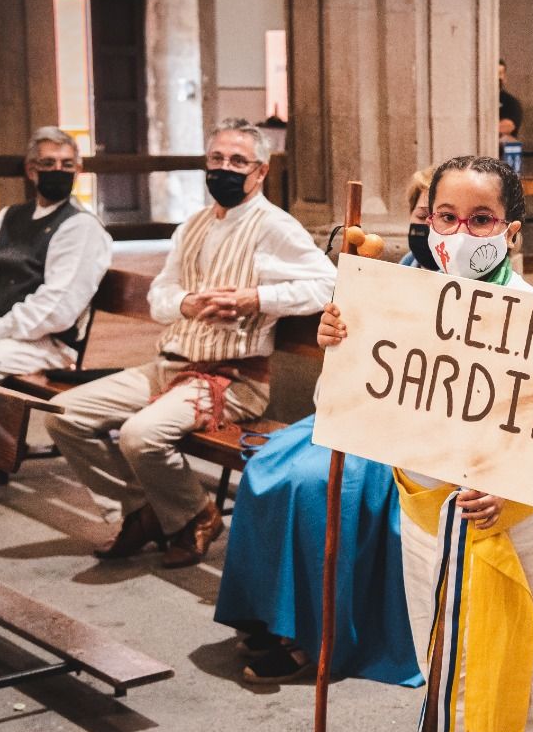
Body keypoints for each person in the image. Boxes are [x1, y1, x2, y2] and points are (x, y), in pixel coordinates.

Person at [318, 155, 533, 732]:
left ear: (512, 232)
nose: (460, 234)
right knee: (449, 674)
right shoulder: (401, 302)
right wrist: (342, 337)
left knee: (516, 686)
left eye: (481, 220)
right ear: (425, 223)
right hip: (425, 521)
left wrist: (514, 490)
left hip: (513, 533)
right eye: (446, 218)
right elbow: (368, 397)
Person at [49, 118, 335, 569]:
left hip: (230, 378)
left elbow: (326, 284)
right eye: (216, 159)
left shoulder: (274, 227)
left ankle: (196, 513)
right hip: (168, 364)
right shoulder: (193, 226)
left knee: (141, 436)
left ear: (260, 172)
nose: (225, 168)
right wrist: (186, 303)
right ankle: (138, 509)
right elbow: (159, 297)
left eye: (238, 161)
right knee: (63, 416)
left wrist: (256, 298)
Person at [212, 168, 435, 684]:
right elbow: (347, 363)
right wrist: (335, 336)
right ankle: (269, 614)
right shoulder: (391, 270)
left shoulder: (468, 289)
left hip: (411, 431)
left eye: (442, 217)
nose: (429, 225)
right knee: (268, 466)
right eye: (423, 214)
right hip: (355, 412)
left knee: (318, 486)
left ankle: (316, 636)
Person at [0, 127, 113, 379]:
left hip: (45, 344)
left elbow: (56, 307)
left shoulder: (81, 227)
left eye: (67, 164)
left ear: (78, 170)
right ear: (32, 170)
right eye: (48, 163)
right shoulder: (8, 216)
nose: (58, 171)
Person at [498, 59, 524, 139]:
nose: (497, 77)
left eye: (500, 73)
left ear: (505, 78)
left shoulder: (511, 103)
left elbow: (505, 127)